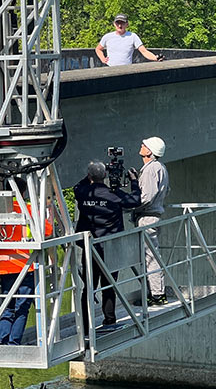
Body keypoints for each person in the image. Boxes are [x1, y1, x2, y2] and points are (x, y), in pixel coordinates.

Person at [74, 161, 141, 332]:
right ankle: (109, 320)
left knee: (88, 286)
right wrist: (134, 181)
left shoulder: (83, 192)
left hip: (89, 246)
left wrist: (90, 175)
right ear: (104, 176)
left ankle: (86, 325)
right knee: (109, 284)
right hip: (110, 246)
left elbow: (77, 187)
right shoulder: (113, 194)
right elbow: (135, 200)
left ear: (89, 176)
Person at [0, 201, 53, 345]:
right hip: (26, 266)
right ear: (23, 193)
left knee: (7, 307)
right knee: (22, 308)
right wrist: (50, 215)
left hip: (5, 268)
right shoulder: (30, 208)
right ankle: (14, 342)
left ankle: (4, 342)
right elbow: (47, 231)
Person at [132, 136, 170, 306]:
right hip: (154, 216)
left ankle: (157, 294)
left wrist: (131, 206)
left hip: (147, 217)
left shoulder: (149, 170)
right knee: (151, 255)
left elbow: (146, 198)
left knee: (150, 257)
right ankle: (156, 292)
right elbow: (166, 190)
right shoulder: (161, 167)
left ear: (150, 151)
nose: (141, 146)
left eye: (144, 145)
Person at [95, 14, 164, 66]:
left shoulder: (132, 36)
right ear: (114, 24)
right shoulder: (107, 36)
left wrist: (155, 58)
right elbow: (98, 49)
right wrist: (103, 59)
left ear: (127, 24)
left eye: (122, 23)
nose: (119, 26)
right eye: (117, 23)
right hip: (110, 69)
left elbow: (144, 51)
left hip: (126, 69)